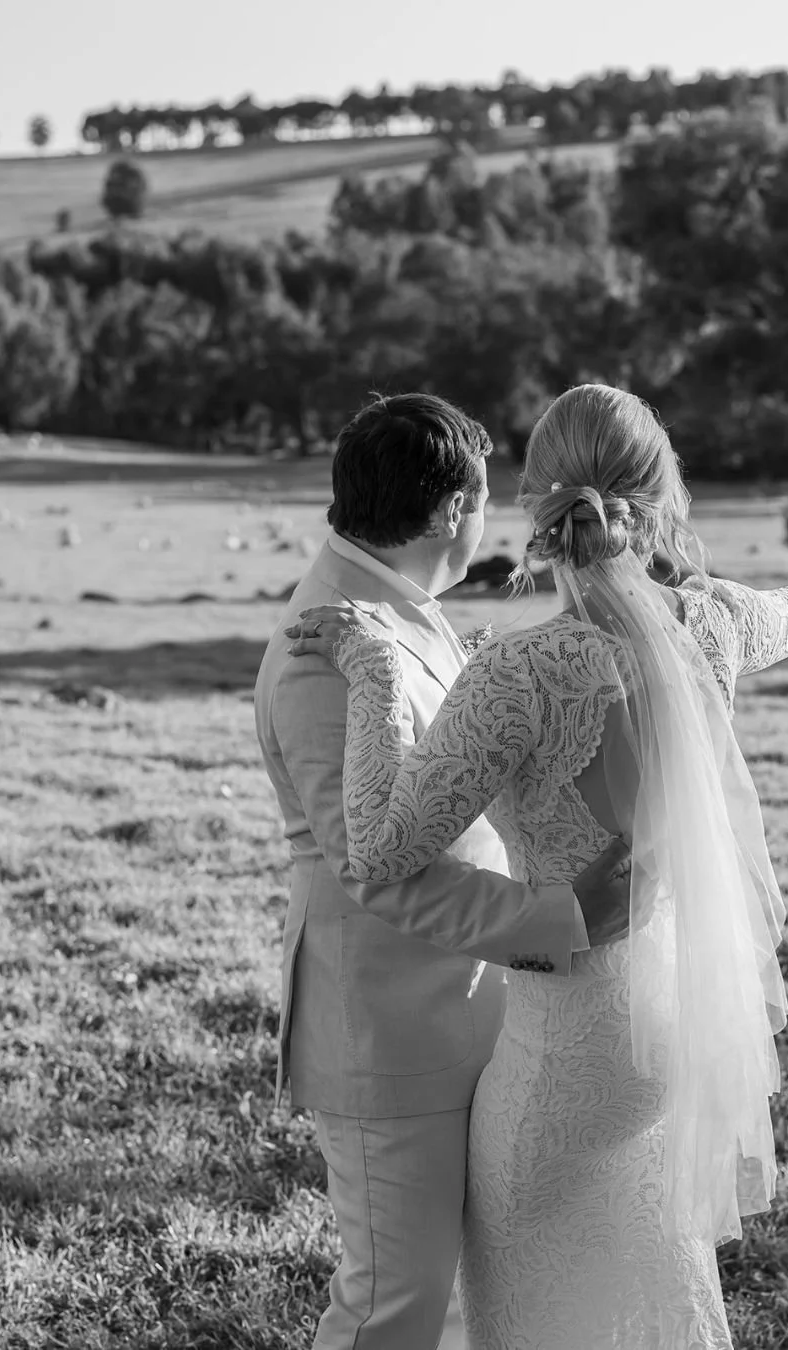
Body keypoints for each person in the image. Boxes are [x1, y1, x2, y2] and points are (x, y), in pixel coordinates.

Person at [290, 383, 788, 1350]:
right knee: (643, 1293)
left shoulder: (516, 674)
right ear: (661, 499)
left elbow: (380, 846)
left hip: (562, 1055)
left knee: (538, 1312)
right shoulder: (713, 626)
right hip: (666, 1029)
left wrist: (377, 671)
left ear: (536, 512)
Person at [252, 391, 632, 1350]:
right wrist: (559, 916)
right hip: (386, 1032)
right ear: (456, 510)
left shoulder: (391, 607)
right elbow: (373, 873)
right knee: (394, 1300)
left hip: (459, 1011)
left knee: (458, 1299)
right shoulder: (321, 651)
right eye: (489, 500)